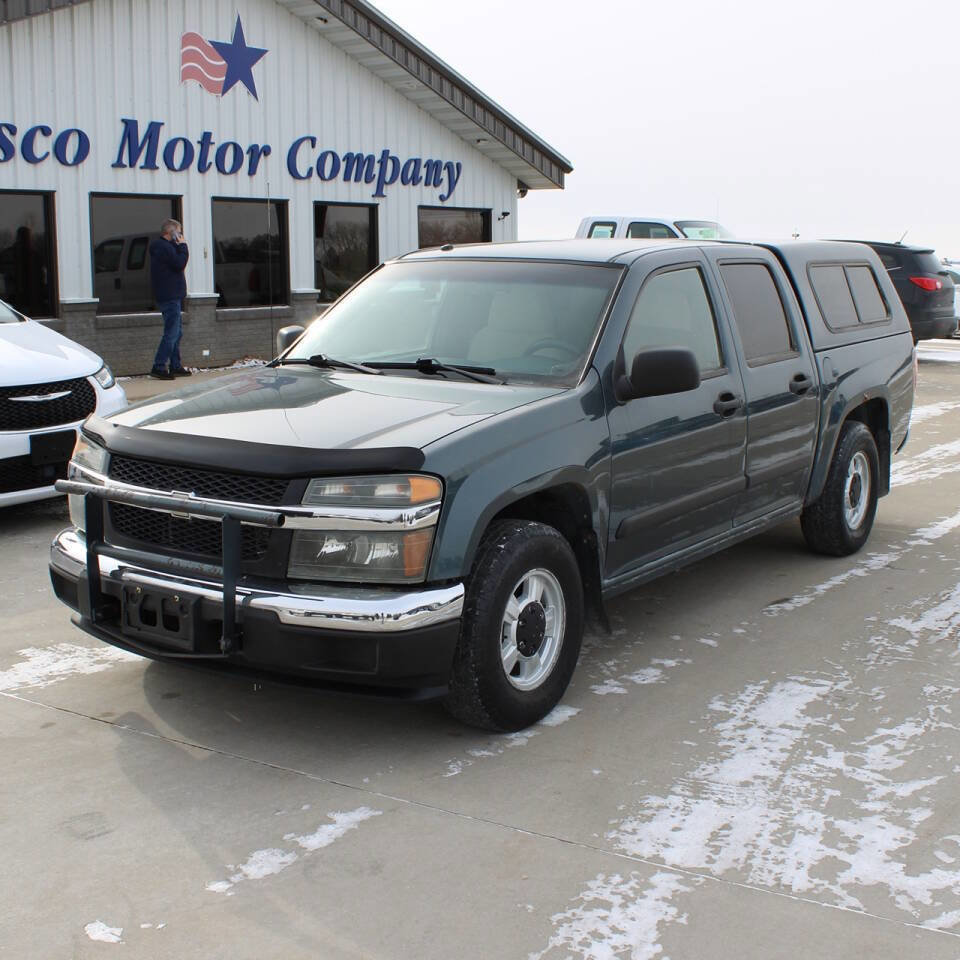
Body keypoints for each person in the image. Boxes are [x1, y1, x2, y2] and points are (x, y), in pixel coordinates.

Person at [149, 218, 191, 379]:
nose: (180, 236)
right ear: (171, 232)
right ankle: (158, 366)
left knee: (177, 332)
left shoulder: (166, 247)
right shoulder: (163, 247)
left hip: (172, 295)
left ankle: (175, 365)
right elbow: (179, 263)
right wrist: (183, 246)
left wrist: (177, 246)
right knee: (171, 333)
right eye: (178, 232)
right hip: (169, 296)